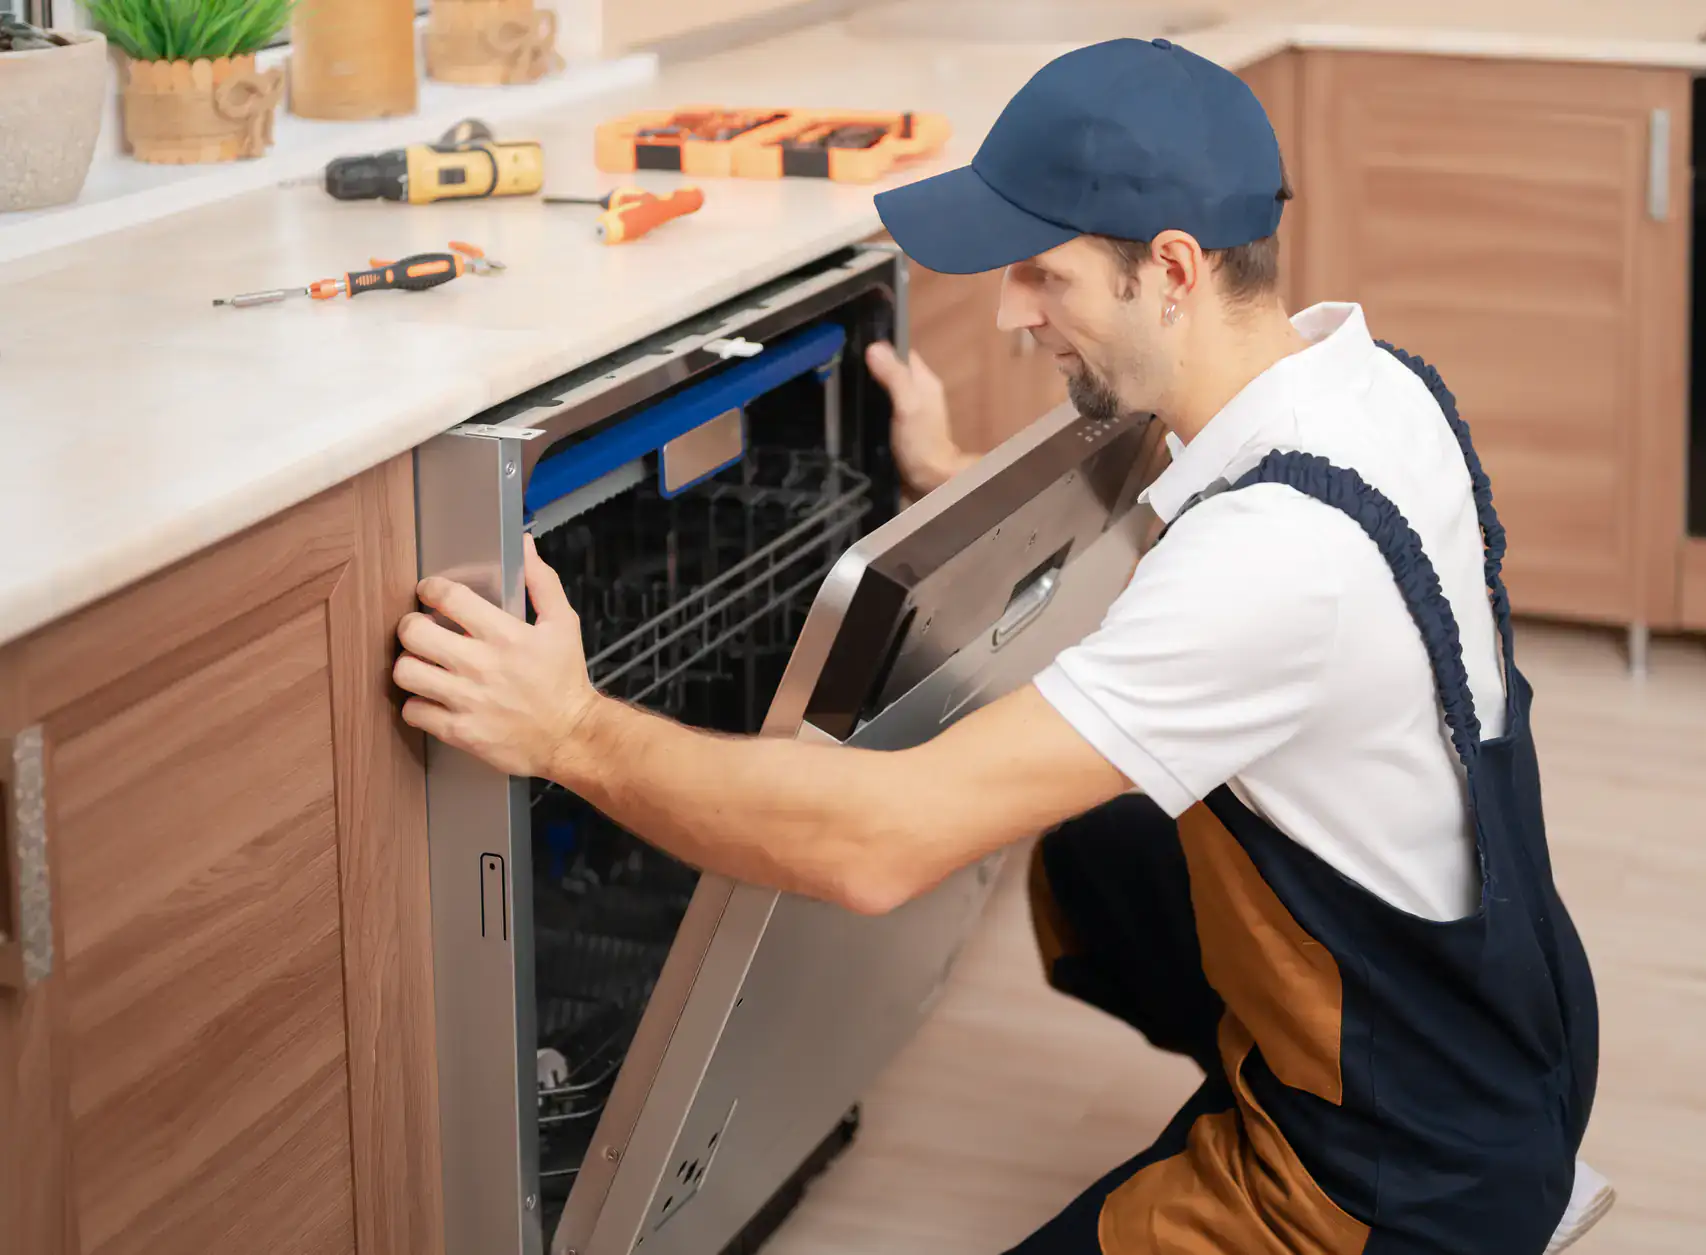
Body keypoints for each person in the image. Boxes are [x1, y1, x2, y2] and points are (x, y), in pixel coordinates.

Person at [390, 36, 1614, 1255]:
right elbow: (1165, 579)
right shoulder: (1366, 391)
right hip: (1510, 1026)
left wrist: (570, 729)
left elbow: (879, 844)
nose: (1013, 311)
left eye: (1044, 276)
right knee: (1098, 845)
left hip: (1397, 1177)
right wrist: (947, 480)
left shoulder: (1271, 563)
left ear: (1170, 271)